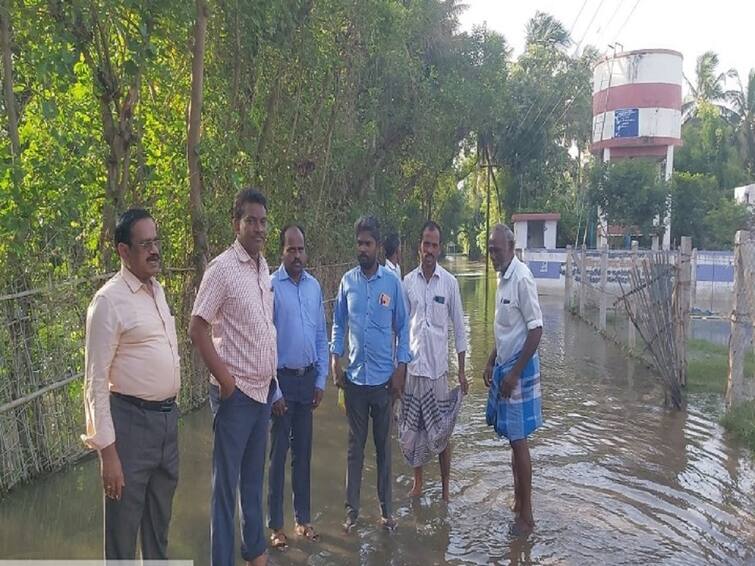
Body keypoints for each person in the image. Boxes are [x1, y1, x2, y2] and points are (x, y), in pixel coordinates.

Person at [82, 208, 180, 560]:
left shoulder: (158, 291)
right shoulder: (109, 302)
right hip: (130, 428)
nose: (154, 250)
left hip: (167, 424)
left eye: (156, 241)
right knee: (122, 539)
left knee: (159, 531)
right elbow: (94, 383)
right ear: (124, 251)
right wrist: (108, 453)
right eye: (145, 244)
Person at [189, 188, 276, 566]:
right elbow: (196, 327)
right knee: (225, 489)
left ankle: (255, 552)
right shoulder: (221, 269)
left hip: (262, 394)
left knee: (253, 482)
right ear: (236, 223)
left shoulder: (263, 266)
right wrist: (226, 382)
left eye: (262, 221)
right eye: (250, 220)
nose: (258, 228)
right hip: (235, 396)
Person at [330, 215, 410, 531]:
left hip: (383, 384)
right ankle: (351, 514)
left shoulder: (392, 283)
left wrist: (401, 367)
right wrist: (335, 358)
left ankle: (387, 512)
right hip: (354, 382)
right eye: (359, 243)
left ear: (378, 246)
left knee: (383, 450)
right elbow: (338, 323)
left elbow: (403, 328)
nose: (362, 248)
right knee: (354, 449)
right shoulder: (347, 282)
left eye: (368, 243)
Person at [267, 224, 328, 549]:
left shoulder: (314, 287)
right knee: (278, 455)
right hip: (280, 382)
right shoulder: (270, 287)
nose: (297, 255)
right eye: (291, 249)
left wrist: (321, 380)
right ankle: (275, 527)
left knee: (303, 454)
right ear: (282, 252)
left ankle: (302, 520)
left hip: (307, 381)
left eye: (301, 249)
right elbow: (264, 343)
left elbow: (321, 334)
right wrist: (273, 390)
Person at [399, 220, 468, 502]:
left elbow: (460, 329)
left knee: (441, 434)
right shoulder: (407, 282)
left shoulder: (449, 283)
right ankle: (418, 484)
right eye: (426, 244)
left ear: (439, 249)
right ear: (420, 247)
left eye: (434, 245)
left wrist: (462, 372)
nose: (429, 249)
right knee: (413, 431)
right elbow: (401, 331)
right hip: (413, 370)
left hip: (439, 372)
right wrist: (398, 371)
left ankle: (445, 488)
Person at [483, 224, 544, 537]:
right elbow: (507, 327)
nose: (493, 254)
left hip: (519, 370)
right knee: (512, 439)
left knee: (519, 442)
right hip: (506, 366)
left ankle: (527, 515)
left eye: (497, 249)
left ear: (511, 245)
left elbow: (536, 330)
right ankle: (519, 503)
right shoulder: (502, 276)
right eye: (490, 249)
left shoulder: (521, 277)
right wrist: (492, 359)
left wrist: (514, 375)